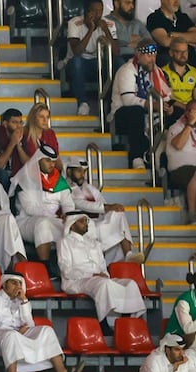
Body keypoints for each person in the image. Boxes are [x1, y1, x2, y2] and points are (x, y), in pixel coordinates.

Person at [58, 213, 145, 335]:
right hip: (76, 281)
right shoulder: (64, 242)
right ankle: (103, 325)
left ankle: (125, 322)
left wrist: (104, 274)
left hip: (98, 279)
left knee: (130, 284)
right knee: (103, 284)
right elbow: (66, 269)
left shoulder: (95, 243)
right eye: (81, 221)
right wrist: (91, 274)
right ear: (72, 225)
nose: (85, 224)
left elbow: (103, 266)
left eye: (86, 221)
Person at [11, 144, 74, 264]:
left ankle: (69, 266)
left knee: (76, 225)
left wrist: (68, 215)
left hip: (52, 219)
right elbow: (30, 208)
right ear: (38, 159)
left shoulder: (58, 180)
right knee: (43, 223)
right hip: (27, 221)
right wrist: (52, 215)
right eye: (48, 160)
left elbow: (68, 203)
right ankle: (45, 266)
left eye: (53, 161)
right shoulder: (26, 178)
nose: (52, 164)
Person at [65, 160, 138, 263]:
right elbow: (82, 204)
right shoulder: (65, 189)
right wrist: (108, 207)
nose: (82, 175)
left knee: (118, 213)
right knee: (103, 226)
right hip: (81, 225)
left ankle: (128, 254)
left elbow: (103, 203)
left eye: (84, 171)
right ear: (69, 172)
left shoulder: (89, 188)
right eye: (79, 171)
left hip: (97, 222)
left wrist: (111, 208)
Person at [112, 40, 170, 169]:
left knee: (175, 112)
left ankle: (166, 163)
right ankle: (136, 157)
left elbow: (167, 95)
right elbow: (128, 100)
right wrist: (153, 105)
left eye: (154, 56)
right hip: (122, 115)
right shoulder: (127, 70)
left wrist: (168, 107)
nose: (152, 60)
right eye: (149, 56)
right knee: (136, 111)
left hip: (148, 113)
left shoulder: (157, 72)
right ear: (138, 55)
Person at [65, 0, 117, 116]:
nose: (98, 15)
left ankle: (113, 106)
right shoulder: (74, 23)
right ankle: (83, 103)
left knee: (118, 63)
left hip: (98, 63)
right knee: (77, 62)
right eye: (94, 11)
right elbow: (77, 51)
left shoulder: (109, 24)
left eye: (100, 11)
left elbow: (116, 52)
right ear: (86, 12)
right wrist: (91, 30)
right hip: (77, 64)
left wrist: (106, 31)